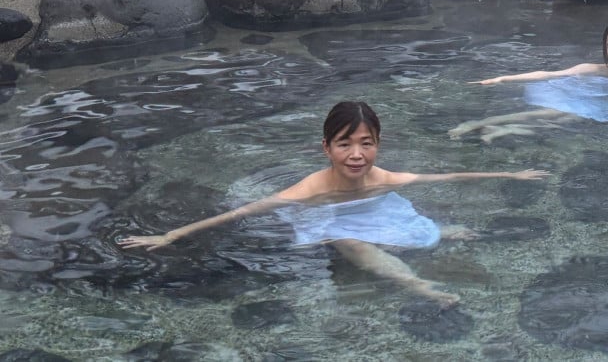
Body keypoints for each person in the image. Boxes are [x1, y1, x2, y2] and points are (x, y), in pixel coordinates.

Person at [119, 100, 549, 307]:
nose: (357, 154)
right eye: (345, 144)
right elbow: (241, 212)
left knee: (405, 230)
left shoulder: (386, 179)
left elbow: (450, 176)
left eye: (367, 143)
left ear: (378, 144)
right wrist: (171, 235)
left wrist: (511, 176)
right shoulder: (307, 191)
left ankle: (433, 236)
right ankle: (421, 288)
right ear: (326, 147)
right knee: (348, 241)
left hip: (374, 206)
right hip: (326, 216)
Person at [450, 20, 608, 142]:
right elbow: (548, 74)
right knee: (549, 115)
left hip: (600, 107)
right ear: (605, 51)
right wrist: (502, 79)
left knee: (563, 122)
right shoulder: (593, 69)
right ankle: (476, 124)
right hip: (581, 98)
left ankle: (505, 129)